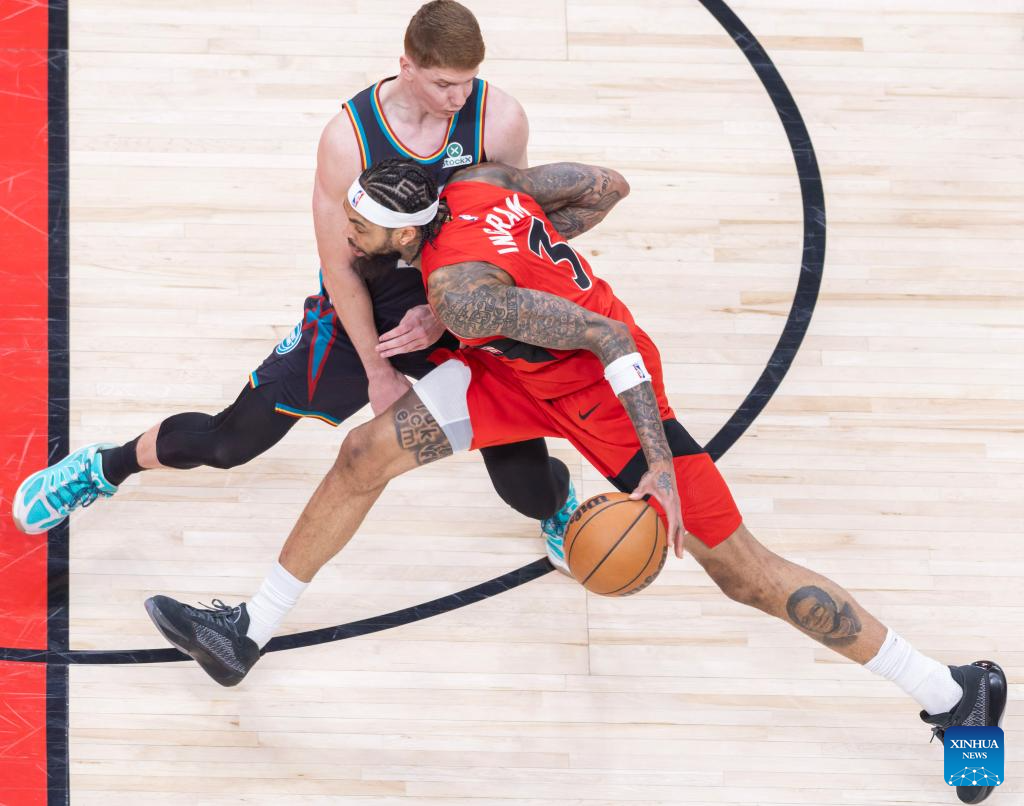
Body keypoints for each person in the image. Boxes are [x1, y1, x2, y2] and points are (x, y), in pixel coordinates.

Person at [147, 158, 1006, 805]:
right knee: (364, 456)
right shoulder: (476, 185)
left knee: (743, 574)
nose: (347, 236)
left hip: (605, 397)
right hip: (512, 374)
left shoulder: (465, 295)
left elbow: (609, 341)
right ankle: (247, 631)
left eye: (359, 229)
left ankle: (954, 692)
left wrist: (657, 469)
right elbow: (607, 187)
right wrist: (524, 261)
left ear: (406, 237)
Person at [12, 0, 575, 557]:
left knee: (525, 486)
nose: (459, 97)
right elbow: (340, 265)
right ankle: (102, 467)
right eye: (444, 84)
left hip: (457, 304)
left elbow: (509, 235)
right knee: (230, 441)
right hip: (368, 305)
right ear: (407, 66)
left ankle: (559, 503)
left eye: (468, 81)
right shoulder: (348, 140)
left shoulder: (498, 120)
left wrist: (444, 310)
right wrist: (378, 372)